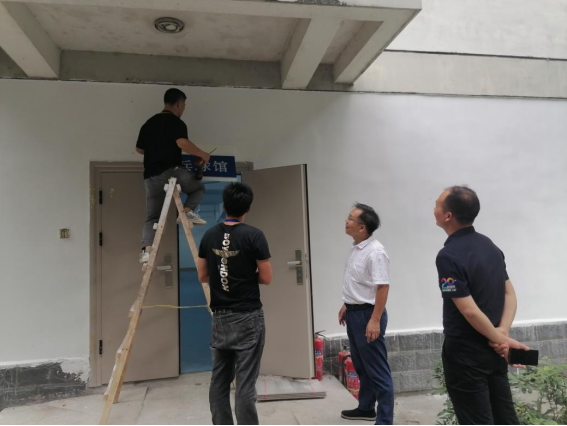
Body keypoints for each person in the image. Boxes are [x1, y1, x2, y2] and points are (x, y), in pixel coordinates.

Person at [434, 186, 530, 425]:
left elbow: (469, 310)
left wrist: (501, 339)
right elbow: (509, 293)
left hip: (466, 354)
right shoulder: (489, 245)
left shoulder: (448, 256)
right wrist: (502, 334)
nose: (433, 209)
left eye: (437, 205)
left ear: (448, 216)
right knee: (505, 417)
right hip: (494, 350)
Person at [197, 183, 273, 426]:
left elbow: (202, 275)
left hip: (221, 317)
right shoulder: (255, 235)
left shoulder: (209, 235)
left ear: (224, 205)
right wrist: (245, 274)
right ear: (248, 208)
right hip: (248, 316)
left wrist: (225, 274)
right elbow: (266, 278)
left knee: (219, 381)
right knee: (245, 383)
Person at [136, 88, 211, 263]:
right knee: (198, 188)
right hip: (172, 171)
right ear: (178, 103)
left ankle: (146, 251)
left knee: (152, 217)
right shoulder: (176, 122)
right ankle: (186, 212)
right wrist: (203, 154)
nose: (183, 109)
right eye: (184, 105)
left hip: (151, 177)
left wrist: (155, 148)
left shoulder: (148, 124)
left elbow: (139, 149)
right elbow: (183, 143)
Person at [339, 204, 395, 426]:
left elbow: (382, 287)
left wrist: (374, 320)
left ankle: (385, 420)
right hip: (355, 312)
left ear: (362, 227)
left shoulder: (375, 252)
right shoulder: (357, 248)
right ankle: (366, 408)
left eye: (350, 218)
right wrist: (347, 304)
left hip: (367, 316)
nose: (346, 221)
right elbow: (360, 283)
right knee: (362, 365)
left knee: (377, 370)